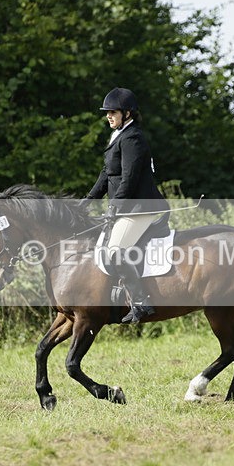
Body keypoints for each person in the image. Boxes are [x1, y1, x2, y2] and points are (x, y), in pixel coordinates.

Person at [83, 87, 170, 323]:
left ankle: (141, 302)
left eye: (112, 112)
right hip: (128, 207)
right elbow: (108, 173)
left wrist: (114, 208)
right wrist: (88, 201)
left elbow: (129, 178)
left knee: (115, 251)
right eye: (107, 112)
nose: (108, 116)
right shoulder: (119, 136)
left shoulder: (133, 138)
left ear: (127, 113)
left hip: (141, 209)